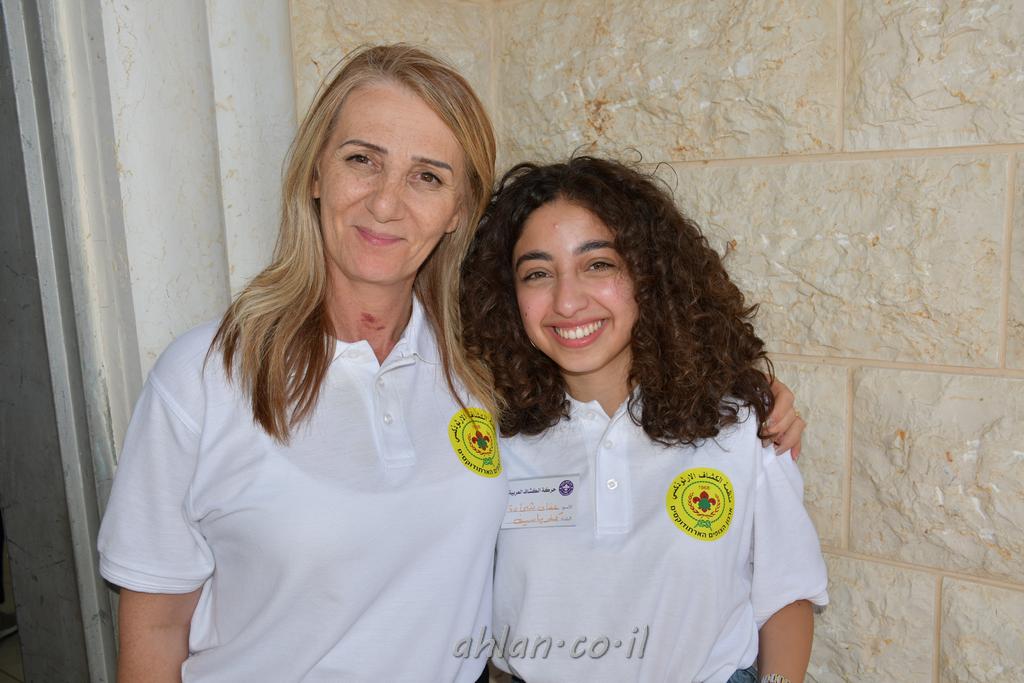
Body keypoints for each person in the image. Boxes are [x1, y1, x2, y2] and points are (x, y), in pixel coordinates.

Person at [97, 45, 805, 681]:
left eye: (427, 176)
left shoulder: (476, 371)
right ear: (315, 171)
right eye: (361, 159)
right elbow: (154, 629)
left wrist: (747, 395)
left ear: (460, 210)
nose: (386, 202)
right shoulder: (206, 376)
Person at [460, 157, 828, 683]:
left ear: (648, 274)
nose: (568, 301)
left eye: (598, 264)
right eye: (537, 273)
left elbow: (787, 592)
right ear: (508, 296)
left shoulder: (737, 423)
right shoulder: (489, 436)